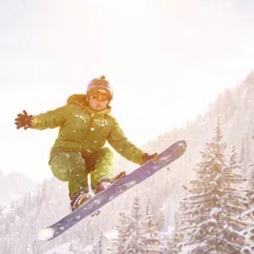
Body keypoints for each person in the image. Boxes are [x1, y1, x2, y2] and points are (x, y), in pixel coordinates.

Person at [14, 76, 158, 211]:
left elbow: (124, 145)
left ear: (109, 101)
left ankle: (101, 183)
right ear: (88, 97)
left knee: (105, 153)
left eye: (104, 97)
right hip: (62, 160)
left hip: (84, 163)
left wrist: (143, 158)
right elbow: (50, 118)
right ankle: (79, 196)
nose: (99, 101)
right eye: (95, 96)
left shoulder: (109, 123)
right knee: (76, 159)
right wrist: (32, 121)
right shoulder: (72, 110)